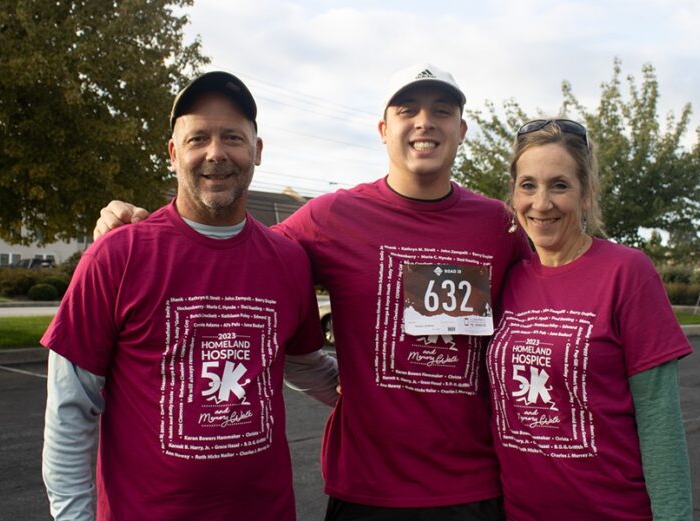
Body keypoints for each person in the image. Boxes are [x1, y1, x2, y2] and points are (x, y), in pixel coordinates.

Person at [94, 63, 530, 520]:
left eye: (442, 111)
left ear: (461, 130)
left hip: (473, 488)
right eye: (407, 110)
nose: (424, 122)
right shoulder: (331, 218)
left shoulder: (498, 226)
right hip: (366, 491)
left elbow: (555, 291)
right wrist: (138, 231)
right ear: (384, 129)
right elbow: (230, 251)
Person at [41, 71, 337, 521]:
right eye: (198, 138)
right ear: (173, 153)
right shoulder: (118, 255)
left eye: (233, 137)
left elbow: (304, 366)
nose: (216, 154)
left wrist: (387, 393)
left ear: (257, 151)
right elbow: (70, 409)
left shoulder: (288, 260)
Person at [486, 119, 693, 520]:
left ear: (586, 194)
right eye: (528, 185)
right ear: (513, 194)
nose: (541, 203)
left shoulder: (627, 271)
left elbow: (660, 421)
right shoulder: (507, 277)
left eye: (559, 185)